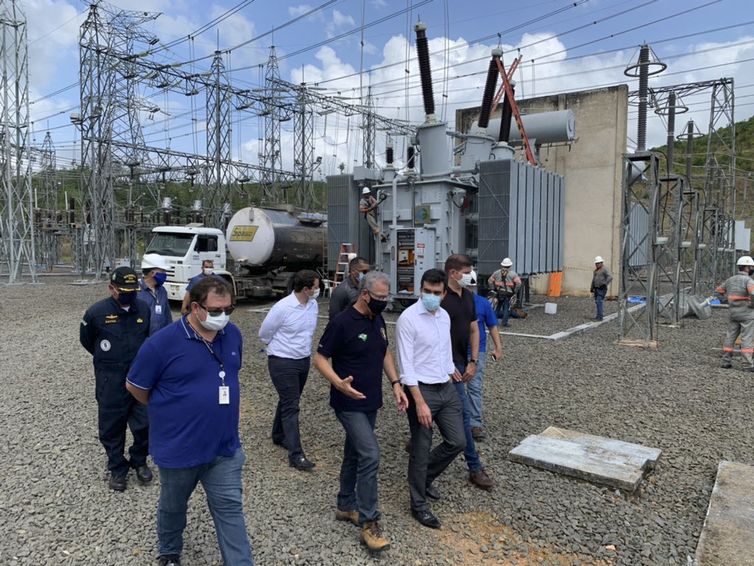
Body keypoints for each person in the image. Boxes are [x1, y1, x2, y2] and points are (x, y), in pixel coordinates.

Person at [126, 277, 253, 566]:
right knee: (173, 506)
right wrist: (171, 409)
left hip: (224, 448)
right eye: (216, 310)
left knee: (230, 510)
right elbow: (136, 387)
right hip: (179, 449)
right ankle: (169, 551)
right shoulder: (161, 344)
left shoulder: (232, 335)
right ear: (195, 308)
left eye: (229, 309)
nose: (224, 316)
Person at [313, 271, 408, 552]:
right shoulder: (342, 322)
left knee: (355, 452)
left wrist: (395, 383)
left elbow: (384, 352)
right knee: (370, 454)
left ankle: (345, 504)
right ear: (364, 294)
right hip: (348, 402)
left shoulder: (376, 319)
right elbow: (319, 357)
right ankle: (369, 522)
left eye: (386, 297)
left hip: (371, 400)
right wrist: (338, 384)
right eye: (379, 297)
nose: (384, 302)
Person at [396, 268, 466, 529]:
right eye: (427, 291)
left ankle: (424, 479)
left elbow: (442, 347)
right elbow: (406, 365)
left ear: (444, 293)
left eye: (437, 293)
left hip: (445, 387)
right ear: (420, 289)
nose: (431, 296)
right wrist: (419, 402)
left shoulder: (444, 315)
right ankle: (418, 505)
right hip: (421, 391)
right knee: (421, 448)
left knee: (457, 440)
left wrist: (450, 369)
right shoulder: (408, 319)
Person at [79, 266, 152, 492]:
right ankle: (117, 468)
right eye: (123, 290)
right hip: (110, 380)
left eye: (132, 290)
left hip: (139, 378)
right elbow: (88, 341)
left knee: (145, 423)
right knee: (111, 426)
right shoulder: (96, 313)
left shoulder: (143, 309)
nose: (128, 294)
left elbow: (147, 337)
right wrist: (111, 360)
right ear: (111, 288)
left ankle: (139, 460)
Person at [442, 255, 495, 490]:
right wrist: (447, 364)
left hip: (462, 363)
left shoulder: (468, 298)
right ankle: (474, 467)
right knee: (462, 414)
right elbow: (430, 336)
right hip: (442, 365)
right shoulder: (440, 296)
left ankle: (417, 441)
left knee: (449, 411)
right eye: (466, 271)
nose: (470, 275)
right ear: (453, 273)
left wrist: (473, 361)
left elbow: (475, 329)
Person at [259, 270, 320, 470]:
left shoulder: (313, 305)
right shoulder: (283, 307)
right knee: (291, 406)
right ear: (305, 289)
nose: (318, 289)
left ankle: (278, 435)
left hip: (302, 359)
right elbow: (264, 332)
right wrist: (275, 349)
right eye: (316, 286)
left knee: (289, 400)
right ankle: (296, 454)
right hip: (282, 361)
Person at [466, 270, 502, 441]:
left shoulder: (482, 303)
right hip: (453, 351)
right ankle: (455, 421)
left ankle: (475, 424)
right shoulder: (451, 302)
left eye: (471, 285)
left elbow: (492, 325)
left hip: (477, 350)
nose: (469, 288)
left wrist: (498, 348)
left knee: (474, 386)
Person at [716, 255, 754, 372]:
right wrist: (752, 304)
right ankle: (747, 364)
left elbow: (718, 292)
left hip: (733, 313)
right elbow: (753, 294)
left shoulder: (730, 280)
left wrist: (728, 300)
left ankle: (726, 362)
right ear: (747, 268)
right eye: (752, 267)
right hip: (747, 314)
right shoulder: (749, 280)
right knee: (747, 338)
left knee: (730, 337)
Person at [138, 253, 173, 336]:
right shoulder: (136, 292)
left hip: (159, 340)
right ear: (153, 273)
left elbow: (167, 317)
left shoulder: (162, 291)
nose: (165, 274)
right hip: (142, 342)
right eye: (163, 271)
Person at [329, 256, 370, 320]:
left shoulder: (366, 287)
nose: (367, 275)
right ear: (353, 271)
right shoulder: (341, 291)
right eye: (364, 272)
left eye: (368, 272)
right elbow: (334, 319)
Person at [488, 258, 522, 327]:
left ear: (502, 265)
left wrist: (493, 288)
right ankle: (504, 323)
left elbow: (490, 281)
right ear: (510, 265)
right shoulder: (513, 274)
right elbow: (519, 283)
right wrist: (515, 291)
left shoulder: (496, 272)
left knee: (497, 307)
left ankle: (493, 322)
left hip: (499, 292)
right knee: (506, 308)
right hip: (508, 293)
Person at [590, 256, 613, 321]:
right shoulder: (595, 271)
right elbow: (593, 280)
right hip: (596, 288)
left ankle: (600, 317)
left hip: (602, 288)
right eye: (596, 263)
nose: (597, 264)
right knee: (597, 302)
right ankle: (598, 316)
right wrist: (592, 288)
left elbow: (610, 277)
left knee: (599, 301)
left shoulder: (605, 269)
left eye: (598, 263)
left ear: (601, 263)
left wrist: (605, 283)